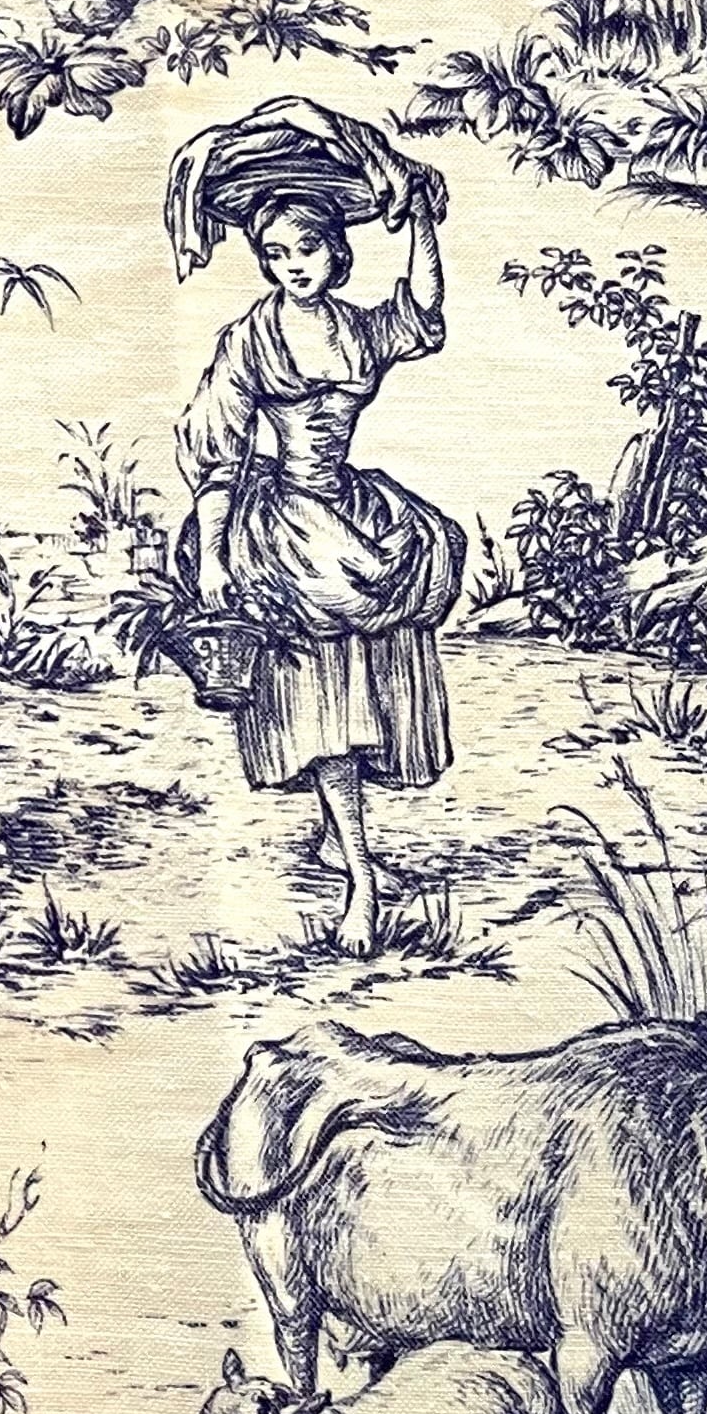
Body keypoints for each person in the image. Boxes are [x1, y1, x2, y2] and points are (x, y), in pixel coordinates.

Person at [173, 166, 463, 960]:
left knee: (369, 678)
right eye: (275, 253)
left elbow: (423, 313)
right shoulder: (251, 339)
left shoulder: (359, 329)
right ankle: (362, 879)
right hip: (286, 529)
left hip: (353, 511)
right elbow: (218, 455)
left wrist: (421, 217)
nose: (291, 265)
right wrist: (213, 557)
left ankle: (340, 838)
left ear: (337, 251)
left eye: (305, 248)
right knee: (322, 705)